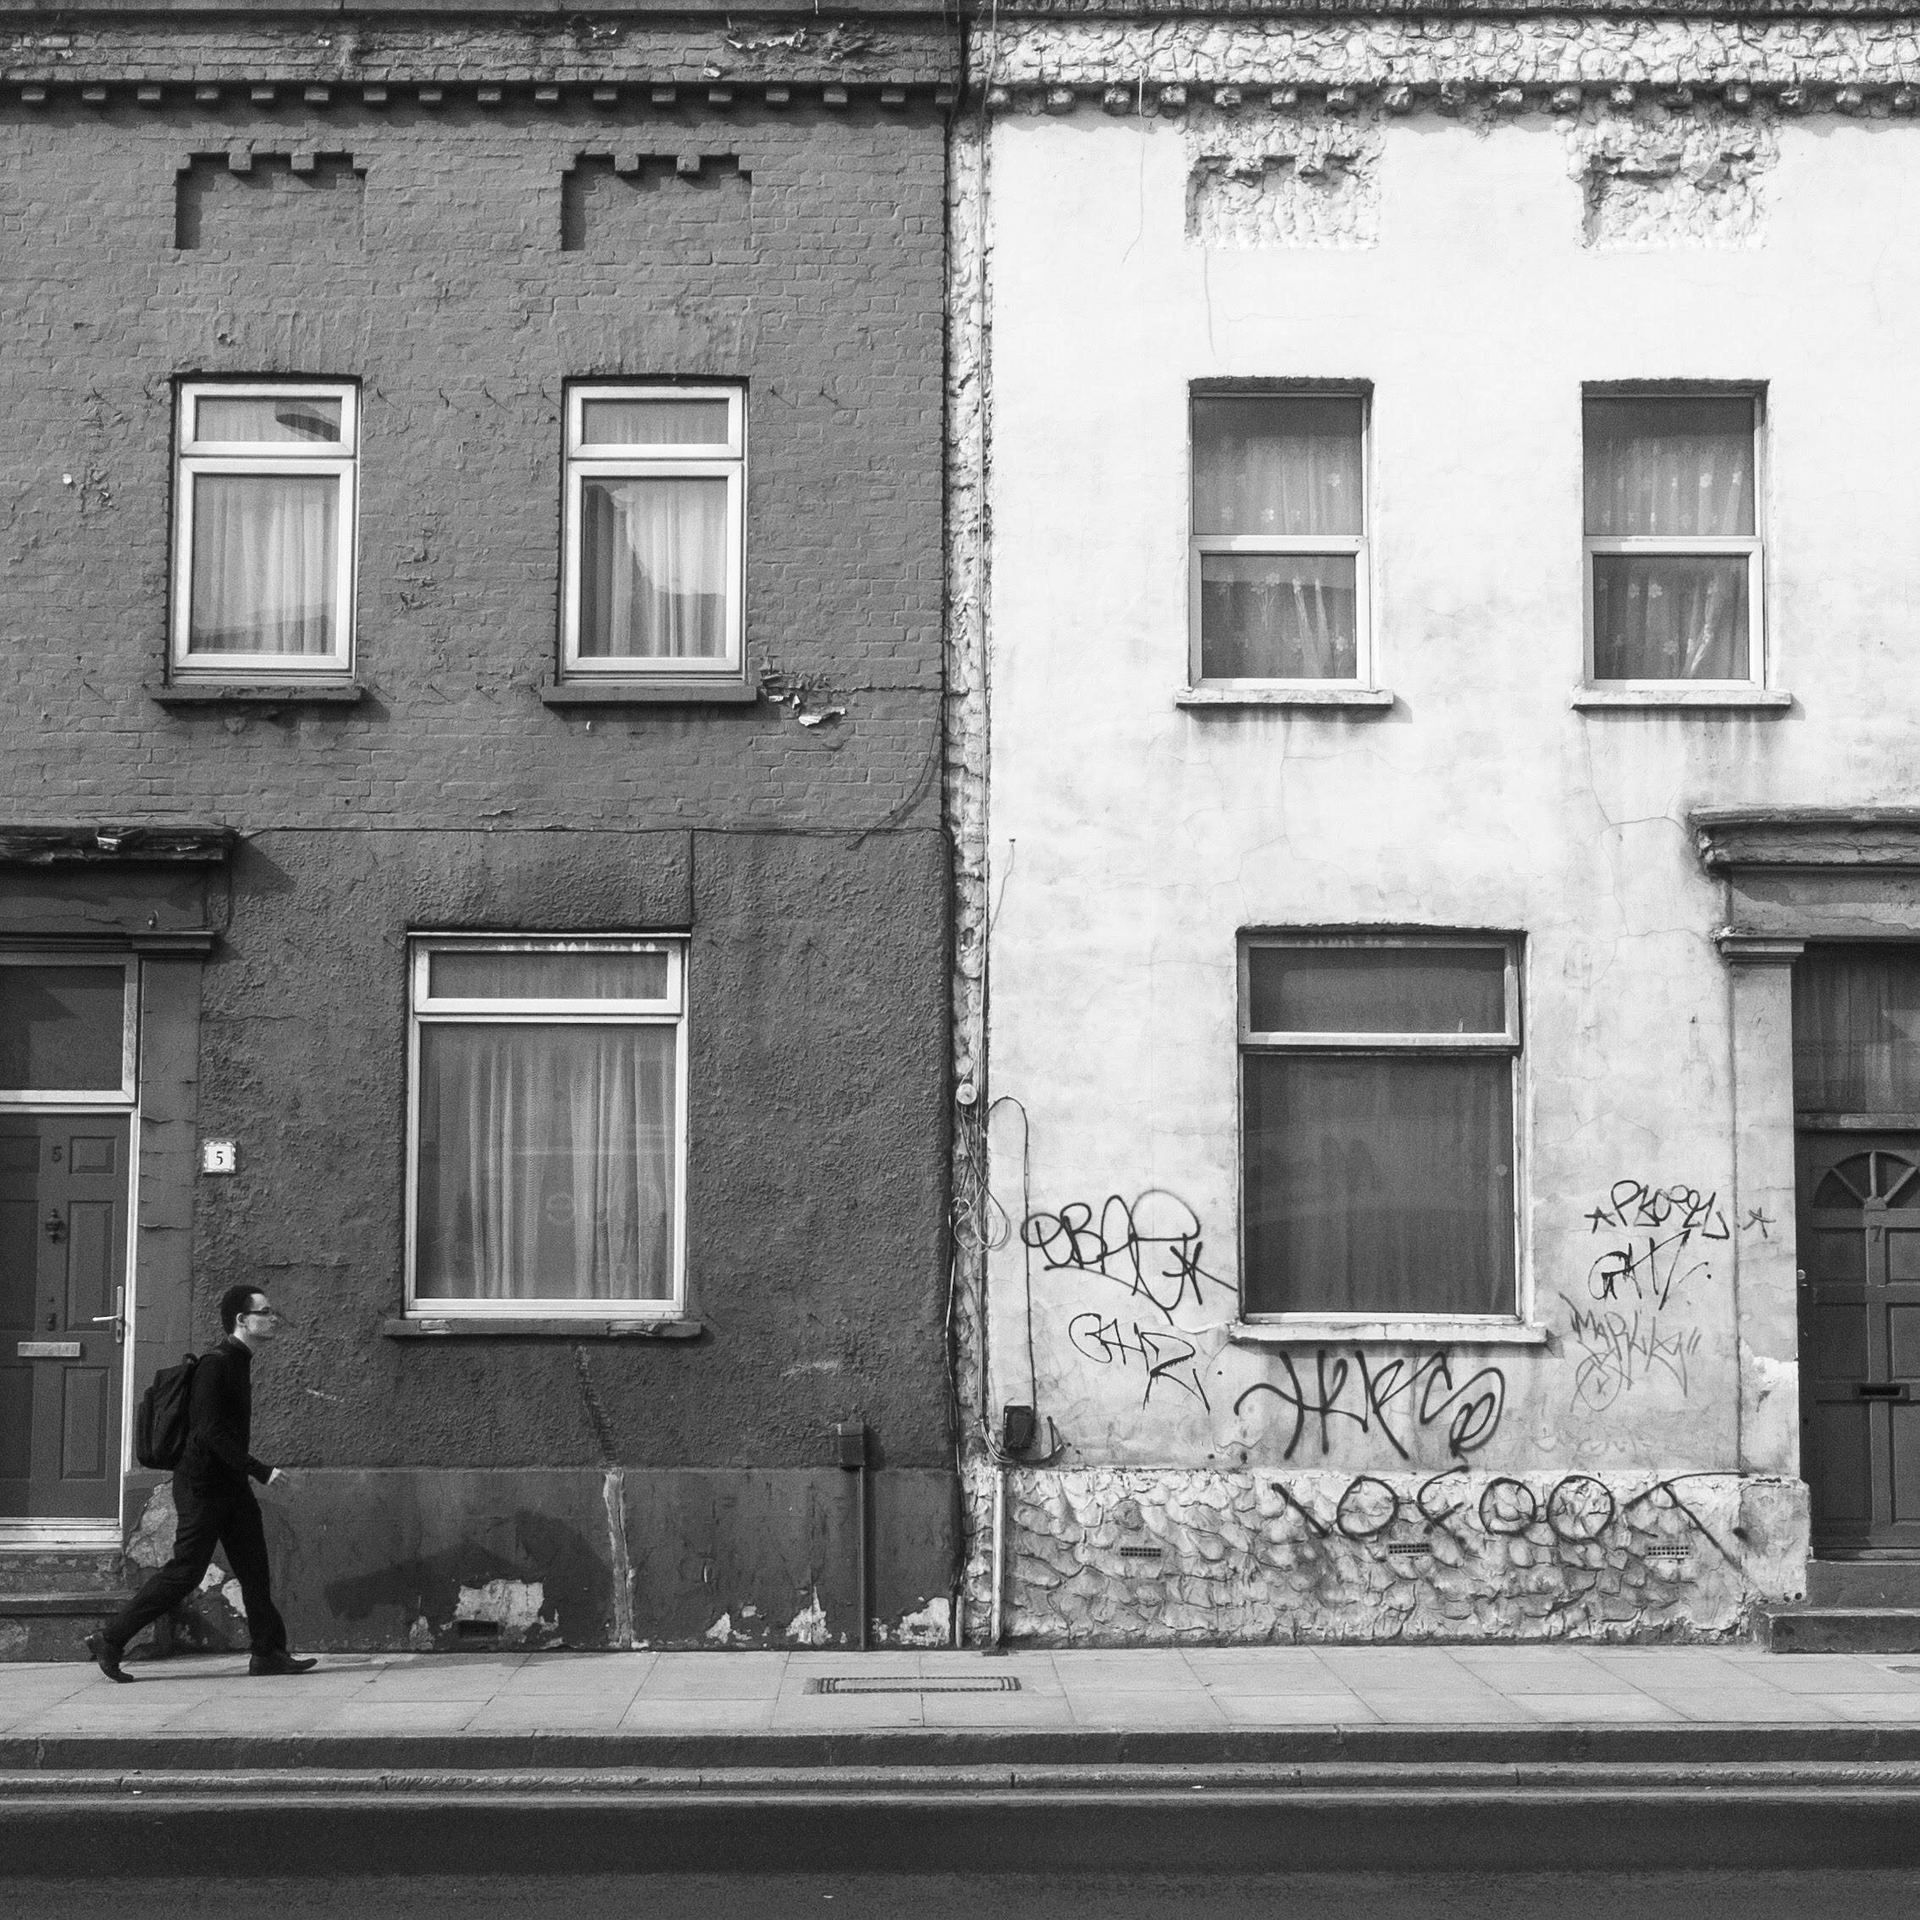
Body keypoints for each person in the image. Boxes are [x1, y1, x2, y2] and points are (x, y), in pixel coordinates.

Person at [86, 1285, 317, 1681]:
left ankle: (268, 1653)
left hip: (229, 1487)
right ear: (242, 1321)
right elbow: (209, 1431)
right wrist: (260, 1469)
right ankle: (110, 1638)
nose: (274, 1317)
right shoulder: (217, 1364)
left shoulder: (240, 1361)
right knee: (185, 1572)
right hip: (202, 1486)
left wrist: (243, 1475)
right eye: (266, 1312)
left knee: (255, 1570)